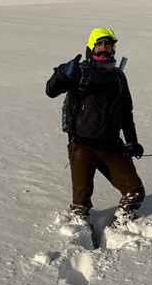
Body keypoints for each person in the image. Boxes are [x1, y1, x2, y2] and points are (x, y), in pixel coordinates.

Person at [45, 27, 145, 226]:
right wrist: (62, 73)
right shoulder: (80, 72)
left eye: (108, 45)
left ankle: (118, 226)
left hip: (112, 146)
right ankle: (80, 229)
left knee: (135, 192)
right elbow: (51, 91)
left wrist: (132, 141)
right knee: (80, 204)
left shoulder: (118, 77)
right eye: (99, 44)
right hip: (82, 146)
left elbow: (126, 113)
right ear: (91, 47)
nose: (104, 48)